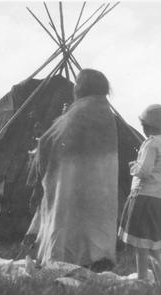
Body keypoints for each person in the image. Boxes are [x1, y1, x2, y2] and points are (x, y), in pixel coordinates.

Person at [25, 69, 118, 270]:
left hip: (72, 177)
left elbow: (50, 140)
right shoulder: (104, 112)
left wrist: (41, 152)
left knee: (67, 217)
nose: (74, 86)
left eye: (77, 82)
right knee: (94, 219)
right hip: (100, 181)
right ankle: (97, 258)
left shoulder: (81, 111)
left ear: (84, 87)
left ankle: (66, 257)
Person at [118, 104, 161, 286]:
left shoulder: (150, 143)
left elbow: (144, 171)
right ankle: (160, 281)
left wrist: (133, 166)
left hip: (144, 197)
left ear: (145, 126)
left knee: (141, 244)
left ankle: (143, 278)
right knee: (152, 244)